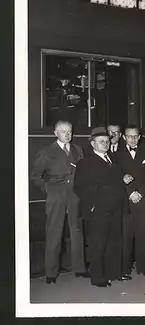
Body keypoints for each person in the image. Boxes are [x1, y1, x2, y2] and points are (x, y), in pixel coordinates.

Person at [30, 120, 88, 284]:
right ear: (55, 133)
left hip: (75, 195)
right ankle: (51, 272)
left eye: (69, 131)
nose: (67, 134)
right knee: (54, 231)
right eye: (63, 131)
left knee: (77, 230)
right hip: (56, 194)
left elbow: (82, 172)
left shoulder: (78, 150)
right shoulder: (47, 151)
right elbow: (36, 175)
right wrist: (48, 189)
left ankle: (79, 268)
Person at [74, 127, 131, 287]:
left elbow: (115, 181)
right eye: (101, 142)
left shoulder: (112, 160)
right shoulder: (85, 163)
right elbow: (80, 187)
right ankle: (98, 277)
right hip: (98, 210)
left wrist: (123, 178)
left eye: (107, 141)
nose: (105, 144)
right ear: (93, 144)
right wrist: (91, 206)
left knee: (114, 242)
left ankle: (113, 273)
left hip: (115, 208)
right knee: (98, 244)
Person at [114, 125, 145, 276]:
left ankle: (143, 268)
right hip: (126, 200)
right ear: (123, 137)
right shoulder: (117, 155)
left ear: (139, 137)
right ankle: (124, 269)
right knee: (126, 235)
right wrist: (131, 193)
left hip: (143, 199)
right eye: (129, 136)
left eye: (135, 136)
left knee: (143, 234)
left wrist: (141, 193)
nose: (132, 139)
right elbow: (116, 177)